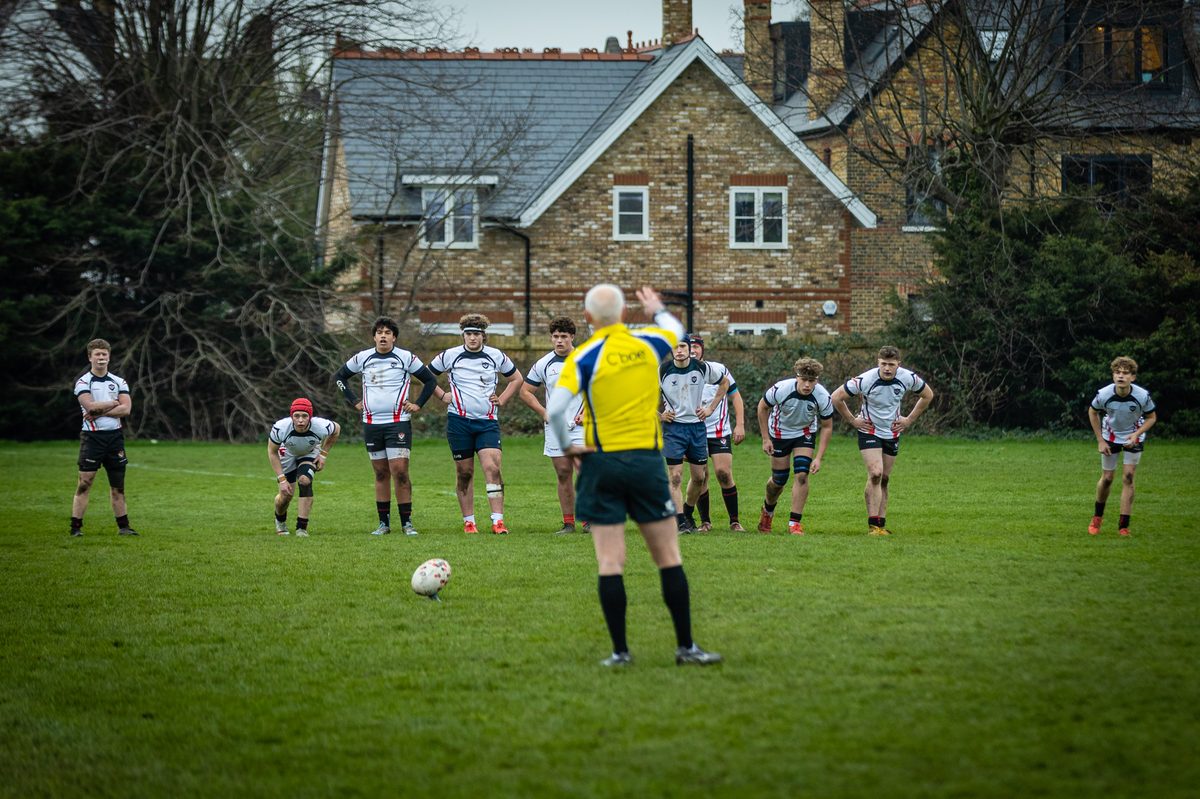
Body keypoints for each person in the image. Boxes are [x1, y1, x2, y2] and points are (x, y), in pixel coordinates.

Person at [546, 283, 722, 667]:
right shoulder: (646, 344)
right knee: (669, 557)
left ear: (588, 318)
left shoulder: (583, 356)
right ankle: (686, 647)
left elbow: (557, 410)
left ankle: (620, 653)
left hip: (601, 462)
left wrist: (569, 446)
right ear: (625, 314)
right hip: (644, 461)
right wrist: (656, 308)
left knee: (610, 562)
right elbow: (676, 332)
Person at [334, 317, 439, 536]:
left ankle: (407, 523)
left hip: (398, 422)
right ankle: (383, 524)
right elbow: (340, 377)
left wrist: (418, 404)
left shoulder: (406, 358)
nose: (383, 336)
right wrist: (354, 401)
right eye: (379, 332)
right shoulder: (363, 357)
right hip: (372, 423)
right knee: (381, 473)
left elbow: (430, 381)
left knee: (400, 471)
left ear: (394, 337)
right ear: (374, 337)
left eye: (388, 332)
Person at [429, 314, 524, 534]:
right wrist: (442, 395)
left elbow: (517, 378)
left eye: (477, 334)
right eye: (469, 334)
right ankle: (469, 522)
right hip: (458, 422)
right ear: (463, 335)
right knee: (465, 473)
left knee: (492, 468)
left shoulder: (495, 356)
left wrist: (502, 398)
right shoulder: (450, 355)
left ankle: (498, 521)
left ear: (483, 336)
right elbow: (426, 376)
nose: (472, 338)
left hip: (487, 422)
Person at [831, 345, 934, 536]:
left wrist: (909, 419)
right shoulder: (867, 379)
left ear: (898, 365)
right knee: (876, 473)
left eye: (891, 365)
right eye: (883, 364)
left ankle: (881, 525)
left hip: (892, 432)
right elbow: (836, 397)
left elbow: (928, 395)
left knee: (884, 479)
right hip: (869, 431)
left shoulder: (908, 378)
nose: (887, 368)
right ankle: (873, 525)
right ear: (878, 363)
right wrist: (853, 421)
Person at [519, 317, 586, 535]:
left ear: (572, 337)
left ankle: (589, 521)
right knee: (563, 472)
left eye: (563, 336)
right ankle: (568, 523)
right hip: (556, 427)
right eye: (555, 336)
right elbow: (525, 391)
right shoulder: (544, 363)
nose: (559, 341)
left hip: (581, 427)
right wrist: (544, 413)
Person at [756, 357, 835, 535]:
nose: (807, 385)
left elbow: (827, 426)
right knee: (779, 480)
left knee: (801, 475)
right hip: (779, 433)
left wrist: (819, 458)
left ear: (817, 380)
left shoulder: (822, 396)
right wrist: (765, 439)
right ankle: (768, 511)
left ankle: (794, 523)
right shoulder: (781, 389)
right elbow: (762, 407)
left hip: (804, 434)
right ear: (797, 377)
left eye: (811, 381)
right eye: (804, 380)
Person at [659, 336, 729, 532]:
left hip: (697, 428)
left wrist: (710, 409)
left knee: (699, 478)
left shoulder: (702, 368)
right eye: (675, 347)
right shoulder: (662, 371)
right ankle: (679, 521)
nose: (679, 350)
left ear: (689, 349)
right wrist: (660, 416)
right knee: (675, 477)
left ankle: (687, 513)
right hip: (674, 429)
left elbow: (724, 384)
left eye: (683, 346)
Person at [70, 338, 137, 537]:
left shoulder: (118, 381)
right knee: (85, 483)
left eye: (104, 354)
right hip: (92, 438)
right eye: (97, 354)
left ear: (109, 357)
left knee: (118, 486)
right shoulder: (83, 382)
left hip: (115, 438)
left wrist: (102, 410)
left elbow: (126, 409)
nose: (101, 358)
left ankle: (124, 527)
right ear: (90, 357)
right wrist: (113, 403)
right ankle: (76, 528)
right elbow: (90, 407)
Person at [1087, 356, 1157, 537]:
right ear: (1113, 376)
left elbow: (1152, 417)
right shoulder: (1104, 394)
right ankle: (1097, 517)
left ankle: (1123, 526)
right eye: (1118, 373)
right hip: (1109, 436)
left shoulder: (1142, 396)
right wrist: (1100, 441)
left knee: (1128, 477)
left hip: (1133, 436)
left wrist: (1136, 434)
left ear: (1132, 377)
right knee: (1108, 477)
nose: (1121, 376)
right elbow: (1092, 412)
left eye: (1125, 373)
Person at [685, 334, 746, 532]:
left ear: (702, 349)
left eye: (696, 347)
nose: (693, 350)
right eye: (689, 347)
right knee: (700, 476)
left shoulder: (718, 370)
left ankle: (734, 521)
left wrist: (740, 425)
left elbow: (735, 397)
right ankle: (705, 522)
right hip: (693, 432)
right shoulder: (679, 373)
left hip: (718, 431)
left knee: (723, 473)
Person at [267, 398, 341, 537]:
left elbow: (336, 429)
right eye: (297, 416)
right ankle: (280, 521)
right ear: (291, 416)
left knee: (305, 481)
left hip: (309, 452)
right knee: (286, 495)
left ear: (310, 417)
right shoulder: (280, 428)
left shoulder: (321, 426)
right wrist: (282, 480)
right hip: (287, 454)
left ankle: (301, 528)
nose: (300, 420)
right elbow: (272, 452)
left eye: (304, 416)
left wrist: (323, 454)